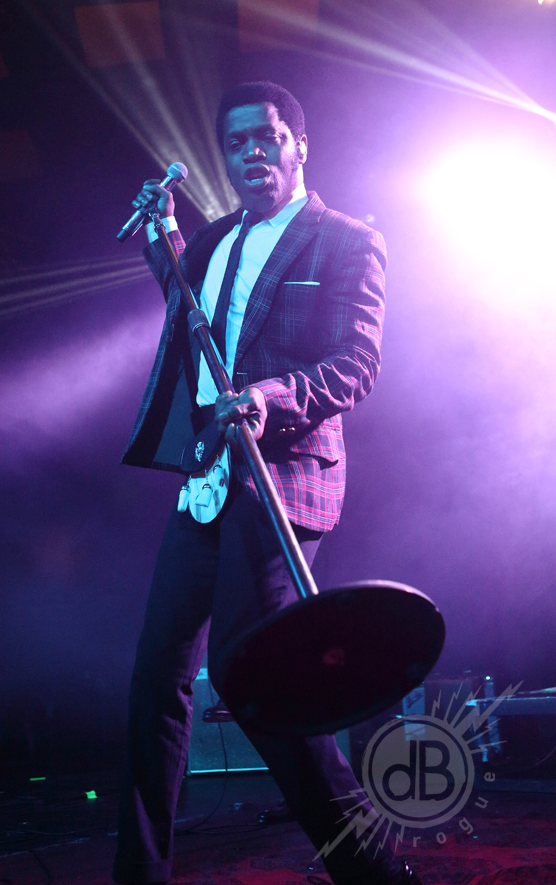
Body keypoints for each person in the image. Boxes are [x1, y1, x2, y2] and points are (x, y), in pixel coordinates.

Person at [113, 81, 421, 885]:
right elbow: (194, 320)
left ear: (299, 146)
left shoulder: (345, 240)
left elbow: (357, 363)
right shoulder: (215, 242)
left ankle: (372, 871)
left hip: (283, 479)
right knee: (156, 681)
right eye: (236, 141)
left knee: (256, 678)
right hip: (207, 481)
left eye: (267, 136)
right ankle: (139, 875)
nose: (251, 151)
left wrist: (268, 397)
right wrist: (165, 242)